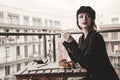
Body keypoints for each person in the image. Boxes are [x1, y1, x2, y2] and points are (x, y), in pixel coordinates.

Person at [61, 6, 119, 80]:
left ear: (92, 20)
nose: (84, 19)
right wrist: (66, 43)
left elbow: (85, 63)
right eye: (81, 17)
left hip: (103, 76)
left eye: (88, 16)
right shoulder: (81, 38)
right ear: (77, 21)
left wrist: (72, 42)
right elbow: (77, 59)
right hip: (92, 75)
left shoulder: (96, 37)